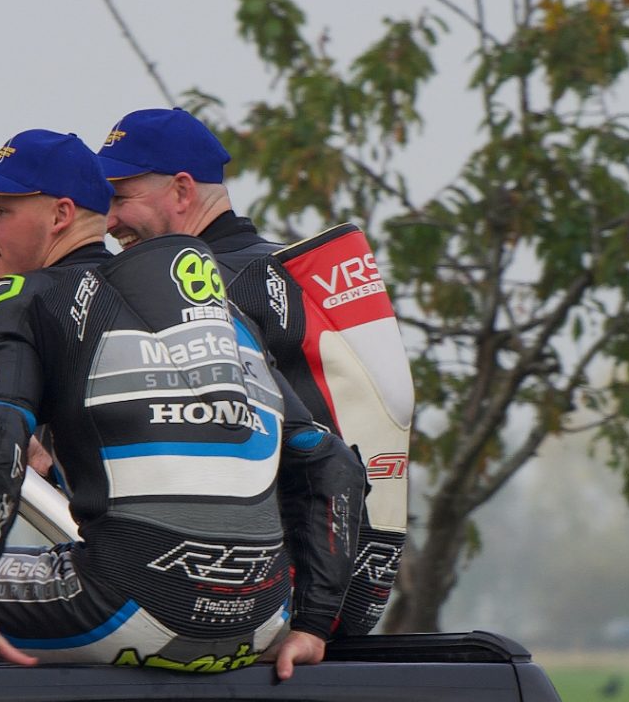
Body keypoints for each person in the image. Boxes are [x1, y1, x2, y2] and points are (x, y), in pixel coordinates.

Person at [0, 128, 363, 678]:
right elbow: (333, 464)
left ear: (60, 216)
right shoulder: (224, 317)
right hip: (261, 622)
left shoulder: (19, 300)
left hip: (125, 609)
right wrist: (311, 624)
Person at [98, 106, 410, 635]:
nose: (106, 221)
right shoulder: (278, 270)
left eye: (120, 198)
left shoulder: (206, 289)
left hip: (264, 605)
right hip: (345, 590)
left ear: (180, 191)